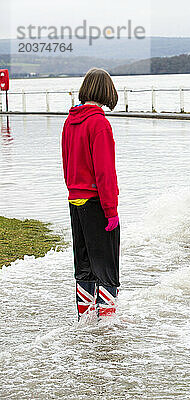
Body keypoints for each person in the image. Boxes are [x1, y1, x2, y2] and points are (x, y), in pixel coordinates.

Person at [61, 68, 120, 320]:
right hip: (97, 204)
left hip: (75, 202)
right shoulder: (99, 124)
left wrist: (75, 190)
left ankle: (85, 322)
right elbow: (105, 173)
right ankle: (107, 326)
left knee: (84, 268)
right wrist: (111, 211)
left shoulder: (70, 121)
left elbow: (66, 163)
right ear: (106, 92)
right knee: (106, 269)